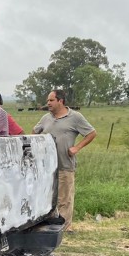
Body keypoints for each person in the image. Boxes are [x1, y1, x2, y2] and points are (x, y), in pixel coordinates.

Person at [33, 89, 97, 231]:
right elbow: (34, 132)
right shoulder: (46, 118)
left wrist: (77, 148)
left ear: (60, 101)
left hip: (64, 164)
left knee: (64, 198)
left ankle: (64, 228)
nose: (48, 103)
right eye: (48, 100)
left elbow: (92, 133)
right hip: (46, 167)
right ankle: (49, 225)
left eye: (51, 100)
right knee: (48, 197)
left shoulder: (75, 117)